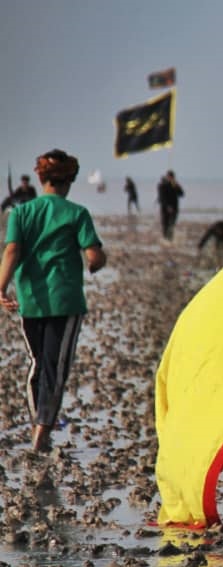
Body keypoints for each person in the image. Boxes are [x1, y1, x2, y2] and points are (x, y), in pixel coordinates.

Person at [0, 149, 107, 452]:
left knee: (37, 363)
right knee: (56, 367)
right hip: (65, 301)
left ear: (41, 177)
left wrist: (1, 288)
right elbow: (93, 258)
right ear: (69, 179)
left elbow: (11, 252)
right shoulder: (76, 214)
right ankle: (42, 431)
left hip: (30, 300)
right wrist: (100, 258)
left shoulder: (21, 212)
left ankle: (38, 421)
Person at [157, 170, 184, 240]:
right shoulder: (162, 185)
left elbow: (181, 194)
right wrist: (168, 206)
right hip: (165, 208)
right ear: (167, 177)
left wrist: (177, 186)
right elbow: (162, 197)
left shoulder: (175, 185)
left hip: (175, 208)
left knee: (172, 224)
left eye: (172, 177)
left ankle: (170, 238)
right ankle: (165, 238)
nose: (171, 178)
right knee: (165, 224)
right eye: (169, 177)